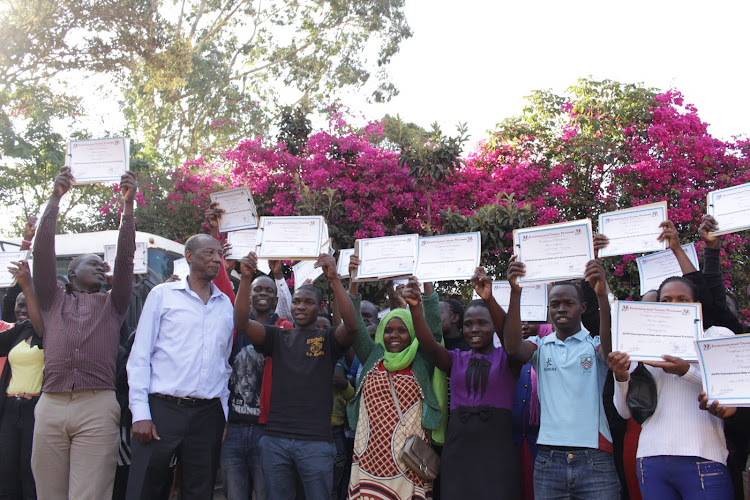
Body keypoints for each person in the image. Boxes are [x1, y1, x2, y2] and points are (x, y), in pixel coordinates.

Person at [31, 167, 137, 500]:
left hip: (97, 405)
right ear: (71, 271)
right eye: (93, 263)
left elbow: (124, 261)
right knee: (49, 493)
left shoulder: (113, 304)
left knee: (89, 494)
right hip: (50, 404)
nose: (102, 268)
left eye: (102, 265)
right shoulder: (51, 299)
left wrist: (128, 207)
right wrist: (55, 198)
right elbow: (41, 254)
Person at [234, 251, 359, 500]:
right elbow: (242, 325)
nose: (301, 306)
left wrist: (334, 279)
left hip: (316, 444)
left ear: (319, 307)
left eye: (308, 302)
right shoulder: (277, 337)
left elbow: (353, 326)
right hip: (275, 441)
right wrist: (246, 279)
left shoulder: (328, 339)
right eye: (297, 301)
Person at [126, 233, 235, 499]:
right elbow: (140, 356)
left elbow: (224, 364)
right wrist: (140, 412)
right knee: (147, 487)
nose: (216, 259)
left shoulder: (226, 306)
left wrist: (223, 415)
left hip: (207, 415)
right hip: (162, 410)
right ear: (189, 256)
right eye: (208, 253)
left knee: (200, 489)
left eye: (219, 254)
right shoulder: (162, 295)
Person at [503, 256, 621, 499]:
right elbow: (513, 348)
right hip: (549, 459)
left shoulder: (594, 345)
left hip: (595, 457)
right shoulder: (540, 346)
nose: (561, 309)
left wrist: (601, 295)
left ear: (583, 307)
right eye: (555, 304)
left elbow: (610, 353)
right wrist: (515, 293)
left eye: (569, 303)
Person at [609, 275, 735, 499]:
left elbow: (728, 390)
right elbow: (625, 411)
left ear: (697, 306)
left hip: (703, 457)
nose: (673, 306)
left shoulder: (716, 337)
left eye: (682, 300)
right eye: (666, 300)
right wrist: (620, 377)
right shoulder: (640, 347)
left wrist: (686, 371)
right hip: (651, 458)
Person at [411, 271, 520, 499]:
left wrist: (492, 298)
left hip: (496, 453)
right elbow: (430, 346)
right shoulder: (456, 358)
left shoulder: (508, 358)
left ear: (494, 326)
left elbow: (509, 335)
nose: (474, 329)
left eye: (482, 323)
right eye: (469, 324)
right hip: (458, 451)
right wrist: (414, 308)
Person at [346, 274, 444, 500]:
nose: (394, 335)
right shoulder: (373, 357)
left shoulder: (422, 360)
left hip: (408, 458)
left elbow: (434, 330)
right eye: (389, 330)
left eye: (402, 330)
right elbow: (356, 327)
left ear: (412, 334)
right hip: (367, 454)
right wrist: (353, 281)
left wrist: (428, 280)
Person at [222, 272, 293, 500]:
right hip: (232, 429)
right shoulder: (232, 330)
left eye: (269, 290)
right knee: (234, 494)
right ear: (249, 296)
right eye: (257, 289)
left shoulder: (283, 328)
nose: (263, 293)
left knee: (266, 494)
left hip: (267, 430)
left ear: (275, 300)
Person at [0, 261, 44, 499]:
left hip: (37, 410)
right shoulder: (19, 330)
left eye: (28, 303)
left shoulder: (50, 331)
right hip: (9, 408)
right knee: (6, 474)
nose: (22, 308)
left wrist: (28, 286)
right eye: (20, 305)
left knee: (31, 475)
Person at [512, 322, 552, 500]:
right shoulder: (506, 350)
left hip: (540, 442)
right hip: (511, 439)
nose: (525, 324)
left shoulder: (550, 348)